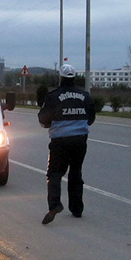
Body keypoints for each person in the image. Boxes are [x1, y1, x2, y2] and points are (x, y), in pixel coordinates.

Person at [37, 64, 96, 225]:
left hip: (60, 142)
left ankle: (55, 205)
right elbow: (91, 118)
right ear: (74, 77)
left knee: (54, 173)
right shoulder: (85, 96)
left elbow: (43, 118)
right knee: (76, 173)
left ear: (60, 77)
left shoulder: (53, 96)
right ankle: (77, 209)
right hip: (80, 141)